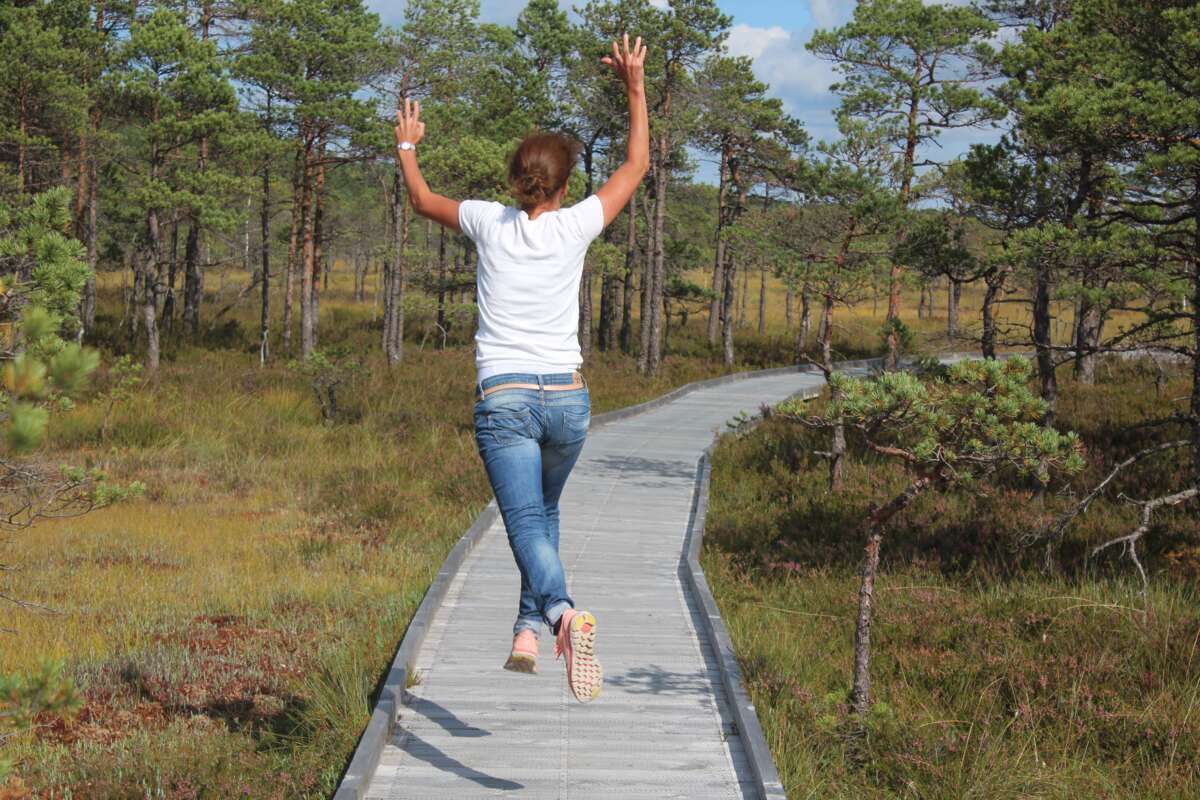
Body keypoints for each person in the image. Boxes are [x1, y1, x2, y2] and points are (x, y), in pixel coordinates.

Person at [393, 34, 648, 703]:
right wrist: (634, 86)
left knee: (526, 524)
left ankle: (561, 613)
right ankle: (527, 634)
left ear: (516, 179)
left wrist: (409, 145)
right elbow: (637, 163)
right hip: (567, 401)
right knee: (543, 514)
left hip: (505, 401)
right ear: (564, 184)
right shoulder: (578, 224)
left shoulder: (488, 221)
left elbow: (422, 200)